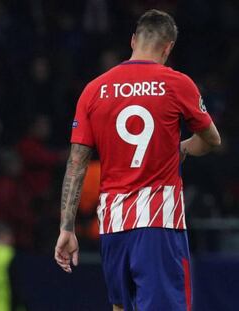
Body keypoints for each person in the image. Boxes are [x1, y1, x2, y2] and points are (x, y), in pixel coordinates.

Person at [54, 9, 221, 311]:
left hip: (113, 226)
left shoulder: (94, 90)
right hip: (159, 222)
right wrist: (181, 147)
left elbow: (76, 164)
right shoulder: (177, 83)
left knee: (120, 307)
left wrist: (67, 228)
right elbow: (212, 139)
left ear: (133, 40)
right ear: (168, 47)